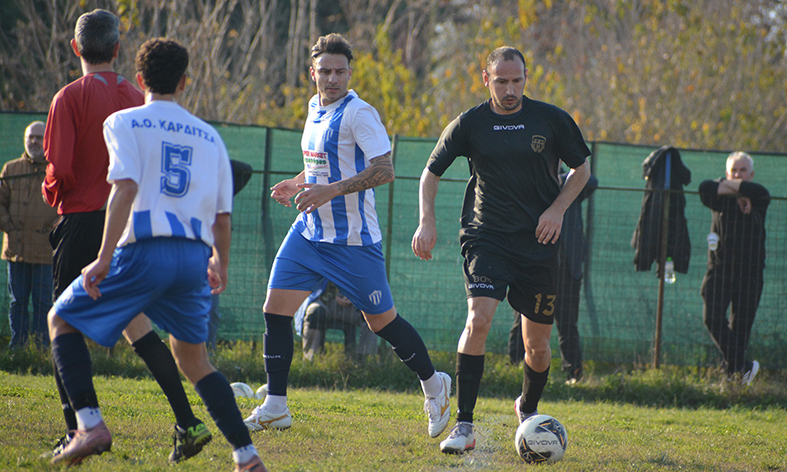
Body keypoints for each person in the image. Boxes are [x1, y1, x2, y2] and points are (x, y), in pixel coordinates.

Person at [45, 37, 267, 471]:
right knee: (194, 360)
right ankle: (247, 456)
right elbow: (222, 217)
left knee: (61, 320)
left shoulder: (123, 122)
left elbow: (124, 189)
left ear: (140, 78)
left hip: (145, 251)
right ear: (184, 82)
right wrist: (220, 263)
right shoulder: (209, 137)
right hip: (193, 259)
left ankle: (88, 424)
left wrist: (104, 256)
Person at [243, 33, 451, 440]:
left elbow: (385, 170)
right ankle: (276, 406)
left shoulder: (360, 113)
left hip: (354, 241)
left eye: (340, 71)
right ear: (313, 73)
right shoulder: (314, 107)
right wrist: (298, 182)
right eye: (325, 71)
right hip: (309, 233)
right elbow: (322, 164)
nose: (332, 78)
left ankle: (433, 385)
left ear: (350, 73)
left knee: (382, 323)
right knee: (275, 309)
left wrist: (331, 191)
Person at [41, 9, 211, 463]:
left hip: (82, 221)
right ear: (117, 49)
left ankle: (79, 428)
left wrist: (51, 192)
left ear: (75, 48)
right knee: (139, 326)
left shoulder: (68, 97)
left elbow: (61, 168)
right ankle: (186, 421)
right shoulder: (139, 97)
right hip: (129, 226)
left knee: (63, 323)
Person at [412, 46, 591, 454]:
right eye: (501, 81)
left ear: (526, 78)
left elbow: (582, 169)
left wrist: (557, 209)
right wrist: (427, 220)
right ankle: (464, 424)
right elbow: (430, 173)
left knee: (537, 347)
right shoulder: (470, 123)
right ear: (485, 79)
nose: (510, 90)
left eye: (516, 81)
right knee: (478, 320)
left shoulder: (551, 119)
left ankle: (527, 408)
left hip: (538, 243)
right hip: (486, 237)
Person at [508, 171, 597, 384]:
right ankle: (515, 369)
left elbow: (592, 181)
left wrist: (560, 180)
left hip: (567, 266)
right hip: (533, 264)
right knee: (523, 318)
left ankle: (573, 373)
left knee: (567, 321)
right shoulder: (530, 180)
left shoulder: (570, 184)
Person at [698, 151, 769, 386]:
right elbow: (704, 187)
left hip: (750, 272)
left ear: (751, 174)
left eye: (743, 170)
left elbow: (757, 191)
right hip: (719, 269)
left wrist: (740, 192)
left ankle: (732, 380)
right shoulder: (718, 198)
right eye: (733, 171)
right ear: (727, 174)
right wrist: (737, 193)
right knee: (712, 318)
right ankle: (743, 367)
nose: (738, 174)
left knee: (740, 329)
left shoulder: (759, 197)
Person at [0, 121, 59, 348]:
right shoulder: (11, 169)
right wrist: (10, 227)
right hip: (16, 249)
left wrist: (53, 229)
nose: (34, 141)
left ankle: (43, 349)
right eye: (30, 137)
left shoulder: (57, 171)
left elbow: (66, 207)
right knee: (18, 302)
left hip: (46, 250)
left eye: (39, 137)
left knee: (44, 303)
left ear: (48, 140)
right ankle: (18, 348)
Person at [298, 280, 377, 360]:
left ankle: (366, 358)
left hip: (352, 304)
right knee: (314, 314)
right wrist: (334, 295)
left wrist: (353, 298)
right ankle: (311, 358)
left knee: (370, 315)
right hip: (324, 301)